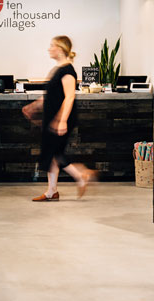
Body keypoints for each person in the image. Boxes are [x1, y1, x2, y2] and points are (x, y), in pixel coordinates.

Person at [22, 35, 97, 201]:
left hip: (61, 119)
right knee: (52, 154)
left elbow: (69, 97)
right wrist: (34, 106)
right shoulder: (58, 69)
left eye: (52, 45)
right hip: (53, 117)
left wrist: (62, 120)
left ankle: (80, 176)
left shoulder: (68, 71)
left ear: (61, 49)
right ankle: (52, 191)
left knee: (54, 153)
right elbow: (52, 96)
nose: (49, 49)